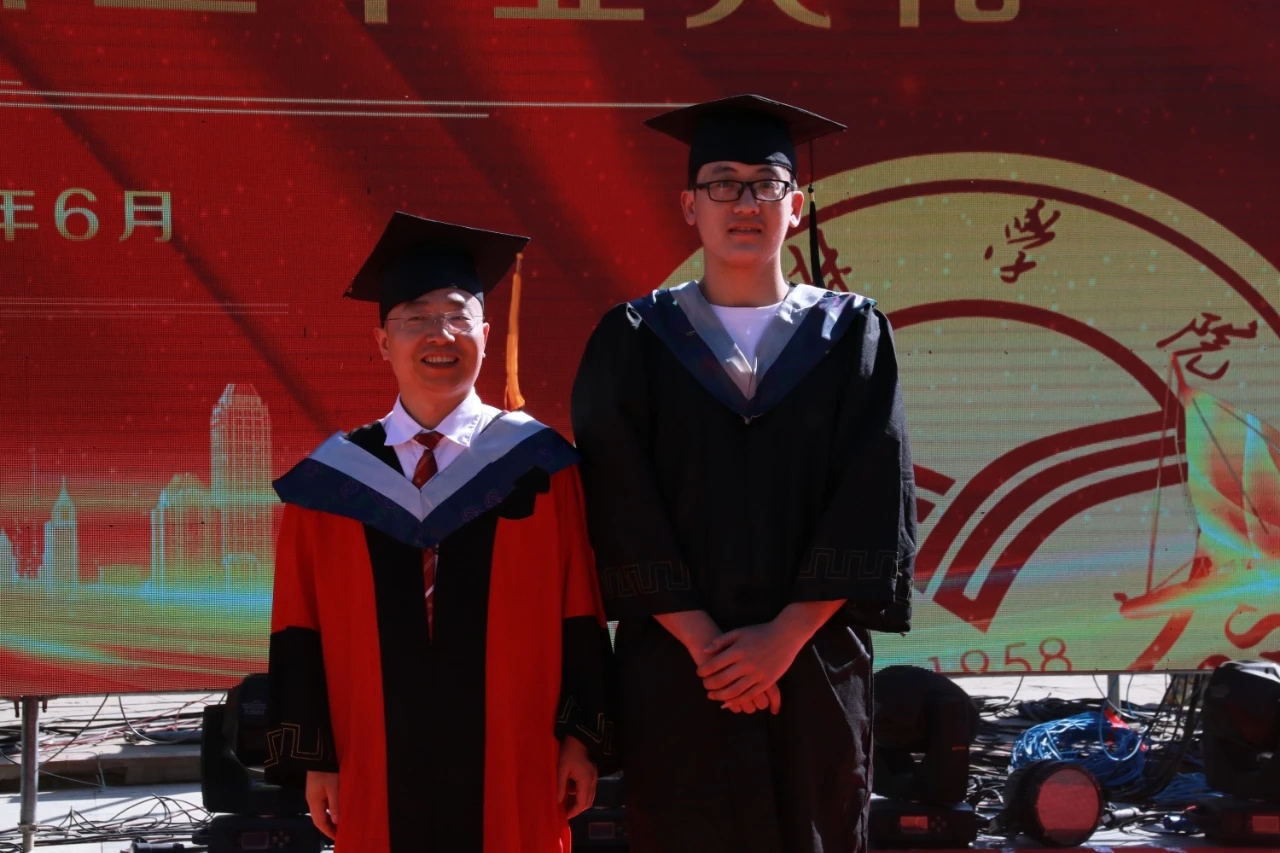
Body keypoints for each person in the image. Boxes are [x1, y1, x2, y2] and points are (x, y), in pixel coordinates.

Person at [570, 95, 916, 853]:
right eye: (722, 183)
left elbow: (873, 494)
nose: (745, 202)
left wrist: (782, 638)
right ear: (689, 205)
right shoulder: (635, 340)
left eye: (766, 184)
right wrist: (707, 645)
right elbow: (617, 499)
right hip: (679, 666)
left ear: (797, 205)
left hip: (813, 662)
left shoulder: (851, 334)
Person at [267, 212, 613, 853]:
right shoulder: (331, 483)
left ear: (485, 334)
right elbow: (299, 626)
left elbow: (579, 611)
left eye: (457, 317)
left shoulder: (540, 466)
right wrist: (318, 759)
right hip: (372, 756)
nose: (440, 335)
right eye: (416, 318)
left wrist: (580, 739)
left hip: (517, 752)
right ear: (382, 342)